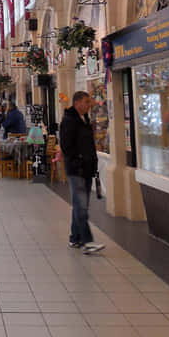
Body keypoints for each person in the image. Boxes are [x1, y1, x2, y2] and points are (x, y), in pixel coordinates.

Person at [59, 91, 105, 254]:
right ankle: (87, 241)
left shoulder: (84, 120)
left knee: (80, 205)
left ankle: (75, 238)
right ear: (77, 103)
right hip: (76, 169)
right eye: (86, 102)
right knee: (81, 206)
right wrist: (78, 160)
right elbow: (66, 146)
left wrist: (92, 163)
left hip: (86, 168)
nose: (89, 105)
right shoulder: (69, 121)